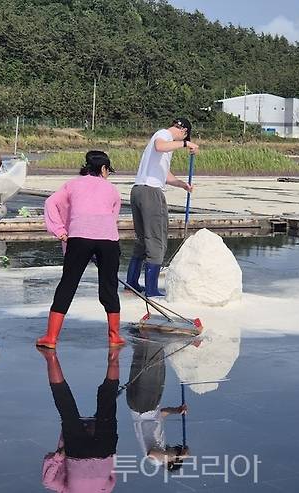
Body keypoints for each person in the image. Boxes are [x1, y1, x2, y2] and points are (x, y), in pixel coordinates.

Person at [36, 151, 124, 349]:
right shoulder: (112, 189)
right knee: (109, 287)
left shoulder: (72, 184)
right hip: (108, 240)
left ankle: (50, 338)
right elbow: (112, 218)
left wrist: (60, 231)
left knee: (68, 284)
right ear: (103, 169)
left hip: (79, 238)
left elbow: (51, 202)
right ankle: (114, 337)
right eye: (108, 170)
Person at [125, 118, 200, 297]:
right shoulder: (163, 135)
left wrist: (182, 184)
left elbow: (164, 173)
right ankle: (151, 290)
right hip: (151, 193)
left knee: (143, 240)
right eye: (184, 136)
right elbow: (160, 146)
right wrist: (184, 144)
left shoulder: (162, 142)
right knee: (156, 240)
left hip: (138, 190)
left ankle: (132, 283)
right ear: (184, 131)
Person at [38, 346, 120, 493]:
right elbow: (47, 481)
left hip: (103, 452)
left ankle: (115, 353)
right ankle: (51, 357)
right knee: (66, 407)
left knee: (107, 402)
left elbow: (111, 477)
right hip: (77, 455)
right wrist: (57, 458)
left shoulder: (105, 491)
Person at [126, 337, 190, 471]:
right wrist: (176, 410)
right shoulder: (161, 445)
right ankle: (142, 339)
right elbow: (159, 415)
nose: (174, 449)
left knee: (153, 368)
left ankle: (152, 339)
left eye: (176, 453)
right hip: (146, 406)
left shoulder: (157, 461)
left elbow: (151, 455)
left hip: (144, 407)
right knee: (152, 368)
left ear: (171, 463)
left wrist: (177, 457)